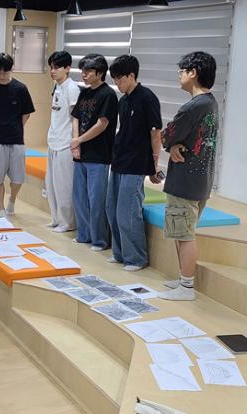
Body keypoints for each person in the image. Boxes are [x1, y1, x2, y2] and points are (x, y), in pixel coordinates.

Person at [159, 51, 219, 301]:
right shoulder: (211, 103)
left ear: (193, 73)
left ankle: (186, 287)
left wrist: (171, 143)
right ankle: (183, 278)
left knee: (184, 235)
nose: (179, 75)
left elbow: (167, 135)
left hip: (185, 181)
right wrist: (174, 145)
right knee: (182, 232)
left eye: (182, 71)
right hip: (201, 180)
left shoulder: (193, 107)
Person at [107, 55, 162, 272]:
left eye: (119, 79)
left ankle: (136, 258)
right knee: (111, 209)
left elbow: (155, 133)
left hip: (136, 163)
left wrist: (154, 164)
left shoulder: (147, 98)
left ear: (131, 76)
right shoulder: (123, 101)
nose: (117, 84)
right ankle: (119, 253)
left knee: (127, 212)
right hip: (119, 160)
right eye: (114, 79)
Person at [0, 52, 35, 216]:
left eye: (5, 72)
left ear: (11, 70)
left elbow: (26, 113)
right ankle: (1, 208)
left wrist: (16, 127)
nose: (1, 76)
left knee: (18, 178)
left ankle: (12, 200)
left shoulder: (20, 89)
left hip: (16, 138)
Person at [70, 53, 117, 252]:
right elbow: (75, 118)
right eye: (83, 70)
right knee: (79, 197)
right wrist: (76, 143)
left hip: (99, 155)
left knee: (96, 199)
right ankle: (83, 234)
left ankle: (99, 240)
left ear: (100, 73)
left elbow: (102, 124)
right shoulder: (84, 93)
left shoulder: (108, 95)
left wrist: (79, 140)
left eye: (88, 71)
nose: (84, 74)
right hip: (81, 154)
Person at [45, 50, 81, 233]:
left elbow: (76, 118)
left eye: (57, 67)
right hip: (53, 140)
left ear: (67, 68)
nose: (53, 71)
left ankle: (68, 222)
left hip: (65, 143)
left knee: (64, 185)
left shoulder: (72, 88)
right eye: (51, 67)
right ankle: (56, 218)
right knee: (51, 185)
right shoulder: (57, 86)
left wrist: (75, 142)